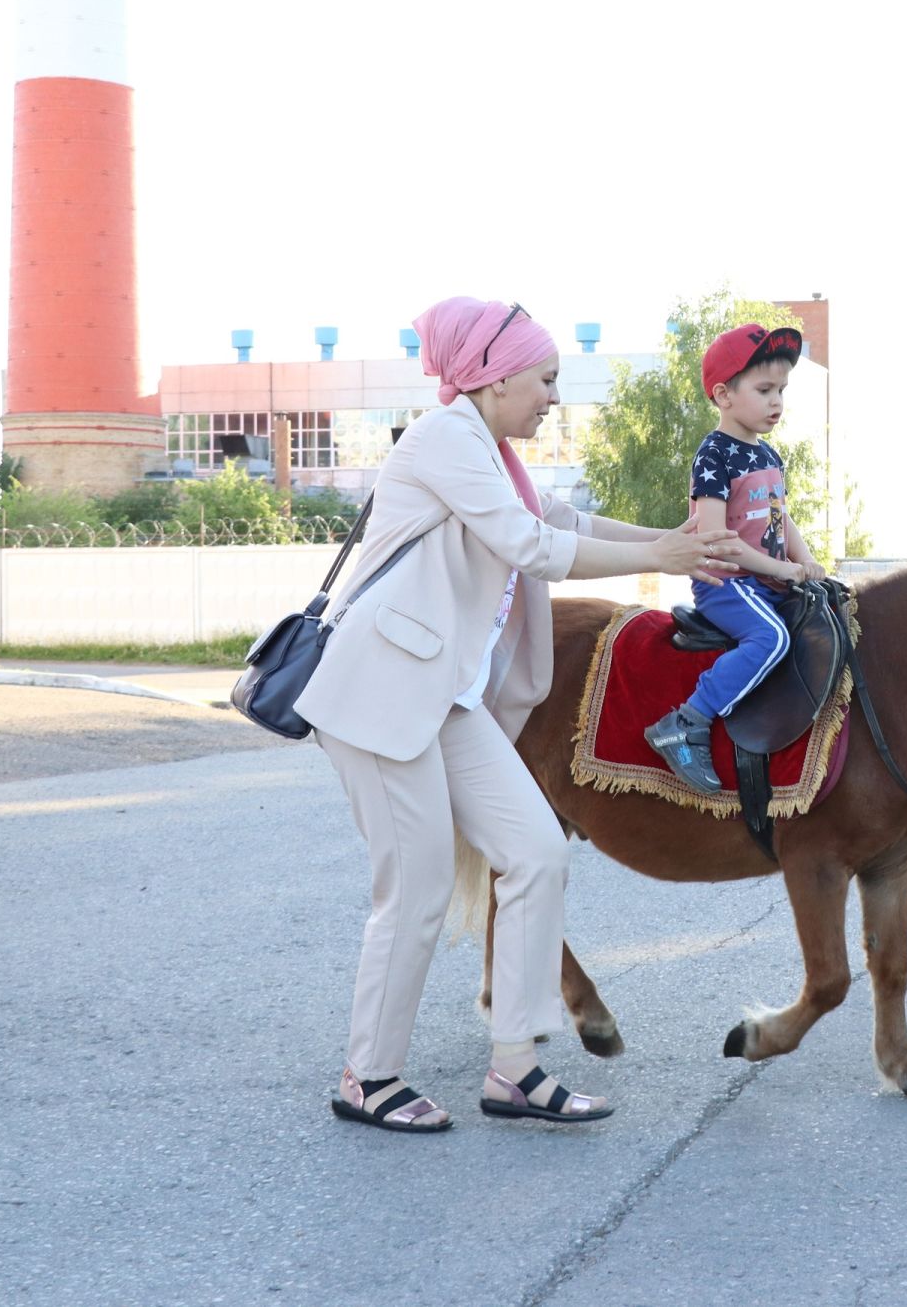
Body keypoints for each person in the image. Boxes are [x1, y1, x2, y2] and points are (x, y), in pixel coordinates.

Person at [296, 297, 739, 1133]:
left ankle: (516, 1068)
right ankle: (370, 1075)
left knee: (536, 853)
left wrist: (675, 539)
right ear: (495, 378)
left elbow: (560, 522)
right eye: (543, 380)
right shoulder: (444, 440)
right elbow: (529, 546)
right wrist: (658, 557)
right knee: (418, 887)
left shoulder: (494, 453)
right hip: (383, 695)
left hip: (446, 697)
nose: (551, 398)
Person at [645, 323, 827, 792]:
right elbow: (717, 539)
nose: (777, 402)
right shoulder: (714, 455)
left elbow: (780, 521)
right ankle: (689, 719)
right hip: (726, 584)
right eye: (764, 389)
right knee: (772, 639)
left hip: (764, 579)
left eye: (782, 390)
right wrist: (783, 569)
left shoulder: (768, 455)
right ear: (724, 394)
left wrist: (807, 563)